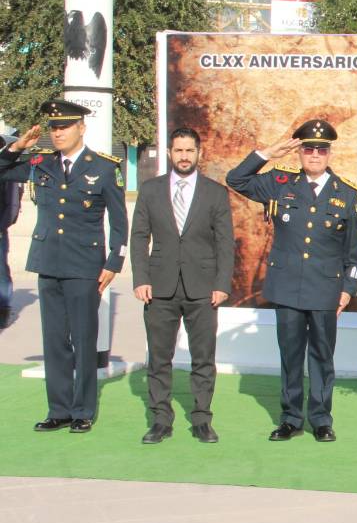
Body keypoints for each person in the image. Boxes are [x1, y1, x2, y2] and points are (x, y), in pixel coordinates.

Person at [226, 119, 357, 443]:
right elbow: (237, 179)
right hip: (287, 288)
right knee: (290, 356)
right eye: (308, 148)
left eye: (321, 149)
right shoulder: (279, 183)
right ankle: (290, 418)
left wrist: (347, 290)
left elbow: (354, 255)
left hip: (325, 290)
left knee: (321, 357)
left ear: (329, 153)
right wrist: (267, 153)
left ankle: (320, 419)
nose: (314, 154)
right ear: (300, 151)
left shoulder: (347, 195)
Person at [0, 99, 127, 434]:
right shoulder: (42, 163)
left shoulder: (102, 167)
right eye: (54, 128)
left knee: (84, 339)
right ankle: (58, 409)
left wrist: (115, 260)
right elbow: (2, 169)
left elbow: (119, 220)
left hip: (85, 265)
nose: (58, 133)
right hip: (48, 262)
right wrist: (16, 148)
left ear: (80, 128)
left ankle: (83, 409)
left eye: (64, 127)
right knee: (54, 340)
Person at [130, 126, 234, 444]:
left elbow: (225, 242)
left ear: (198, 153)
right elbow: (138, 237)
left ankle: (202, 419)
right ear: (169, 153)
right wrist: (140, 278)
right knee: (159, 358)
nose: (184, 156)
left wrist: (221, 283)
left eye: (190, 150)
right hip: (159, 287)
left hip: (202, 288)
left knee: (203, 358)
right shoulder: (150, 190)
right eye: (179, 150)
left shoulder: (215, 193)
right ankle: (161, 419)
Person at [0, 129, 23, 329]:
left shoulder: (8, 172)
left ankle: (4, 311)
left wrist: (2, 226)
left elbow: (13, 204)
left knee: (0, 272)